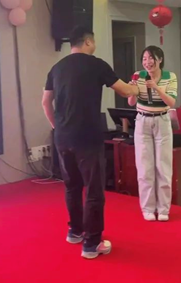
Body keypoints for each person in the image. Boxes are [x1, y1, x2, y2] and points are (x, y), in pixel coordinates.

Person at [42, 26, 138, 260]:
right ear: (87, 42)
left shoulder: (57, 68)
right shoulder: (97, 65)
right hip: (87, 138)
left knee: (72, 187)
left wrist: (57, 127)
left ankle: (75, 232)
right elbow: (125, 91)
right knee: (94, 190)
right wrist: (137, 86)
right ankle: (92, 243)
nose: (94, 46)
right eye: (93, 42)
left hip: (63, 138)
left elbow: (45, 102)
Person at [128, 46, 178, 222]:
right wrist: (131, 90)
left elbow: (171, 102)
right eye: (144, 59)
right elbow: (131, 101)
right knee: (144, 167)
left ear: (160, 60)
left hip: (162, 121)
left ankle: (163, 209)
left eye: (151, 58)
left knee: (163, 167)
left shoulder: (170, 76)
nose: (147, 62)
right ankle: (148, 208)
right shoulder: (138, 75)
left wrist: (156, 87)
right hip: (142, 121)